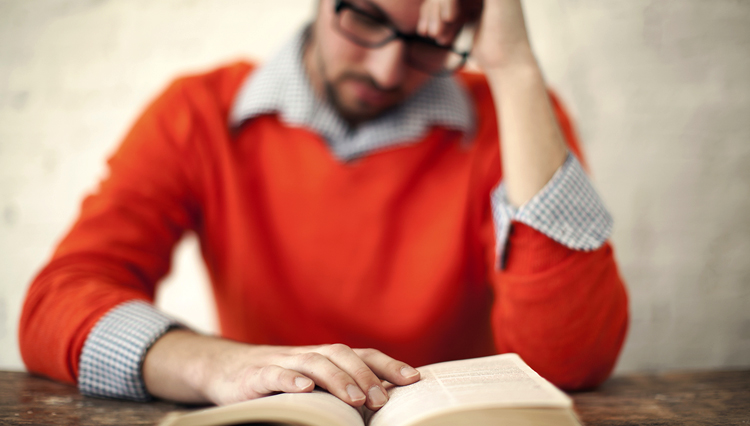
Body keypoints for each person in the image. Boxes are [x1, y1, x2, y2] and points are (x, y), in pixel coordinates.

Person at [19, 0, 628, 412]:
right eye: (365, 17)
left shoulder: (512, 121)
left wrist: (515, 69)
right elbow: (58, 303)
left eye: (428, 43)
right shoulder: (196, 114)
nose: (388, 70)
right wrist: (214, 366)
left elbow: (571, 361)